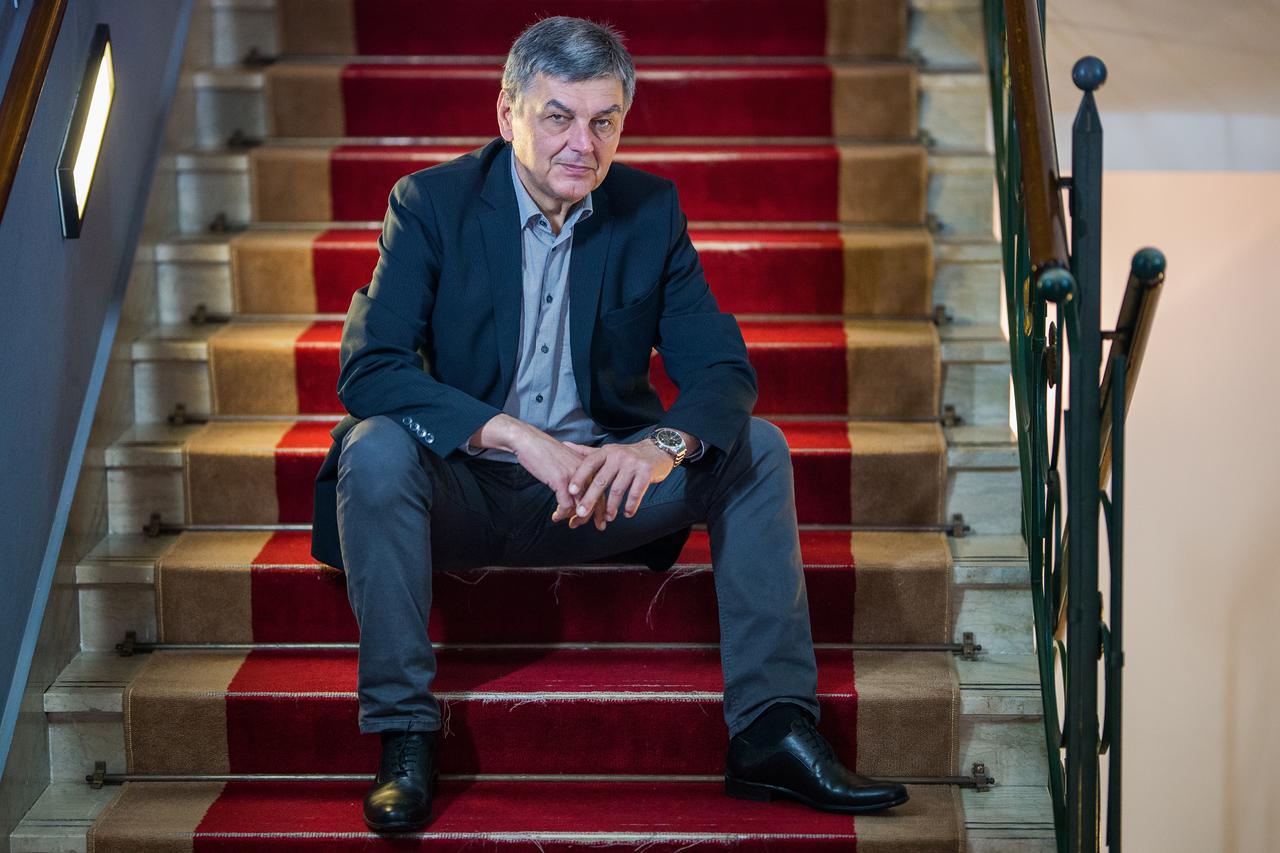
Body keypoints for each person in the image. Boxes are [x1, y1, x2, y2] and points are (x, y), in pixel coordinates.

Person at [309, 15, 910, 833]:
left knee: (758, 448)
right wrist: (516, 435)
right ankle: (404, 732)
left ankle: (771, 730)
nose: (582, 145)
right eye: (558, 116)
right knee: (374, 448)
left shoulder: (648, 210)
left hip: (602, 496)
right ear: (507, 115)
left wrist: (659, 447)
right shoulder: (431, 204)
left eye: (604, 121)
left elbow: (723, 370)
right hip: (463, 490)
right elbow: (369, 368)